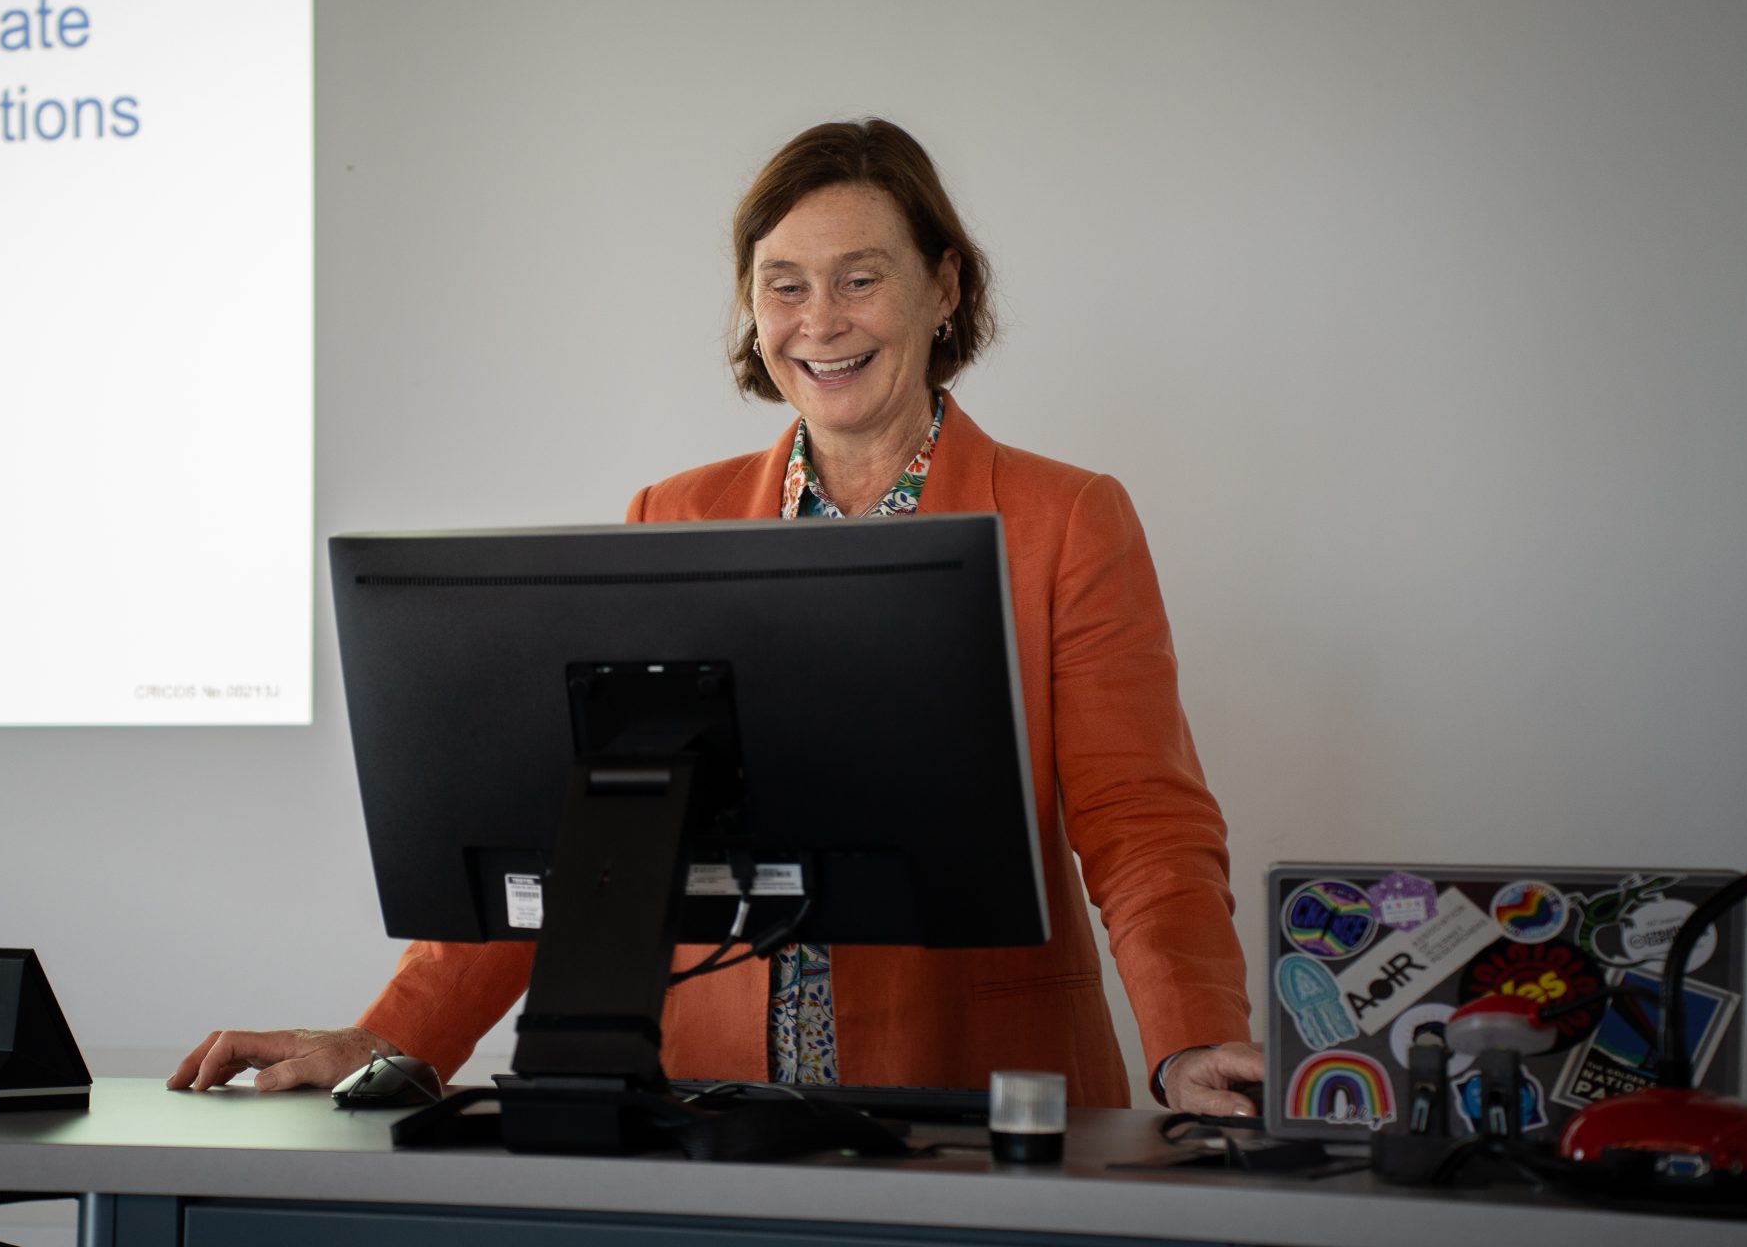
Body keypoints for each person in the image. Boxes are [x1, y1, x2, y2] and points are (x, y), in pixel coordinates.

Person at [169, 119, 1262, 1116]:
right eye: (782, 285)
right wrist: (390, 1034)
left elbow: (1143, 819)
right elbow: (589, 834)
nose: (819, 322)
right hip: (708, 1111)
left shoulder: (1067, 518)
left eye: (860, 278)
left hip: (979, 1099)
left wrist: (1193, 1038)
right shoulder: (673, 514)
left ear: (945, 284)